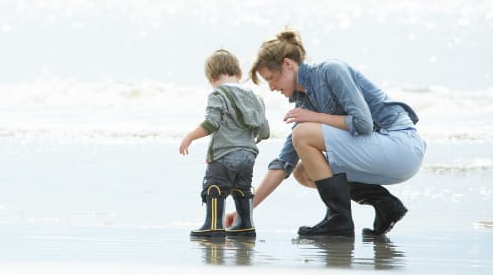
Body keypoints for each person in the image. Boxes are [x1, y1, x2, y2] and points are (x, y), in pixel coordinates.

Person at [224, 29, 426, 237]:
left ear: (288, 64)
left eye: (271, 78)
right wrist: (243, 211)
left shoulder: (331, 70)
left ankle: (340, 220)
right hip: (383, 156)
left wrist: (314, 117)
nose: (272, 87)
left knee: (302, 135)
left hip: (401, 145)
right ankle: (384, 204)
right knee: (302, 172)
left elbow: (363, 124)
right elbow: (283, 164)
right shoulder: (306, 103)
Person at [180, 49, 271, 238]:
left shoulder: (217, 95)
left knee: (215, 187)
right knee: (242, 188)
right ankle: (245, 224)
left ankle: (213, 224)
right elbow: (265, 131)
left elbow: (211, 123)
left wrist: (190, 136)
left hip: (224, 154)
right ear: (239, 74)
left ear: (211, 78)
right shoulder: (256, 98)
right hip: (248, 156)